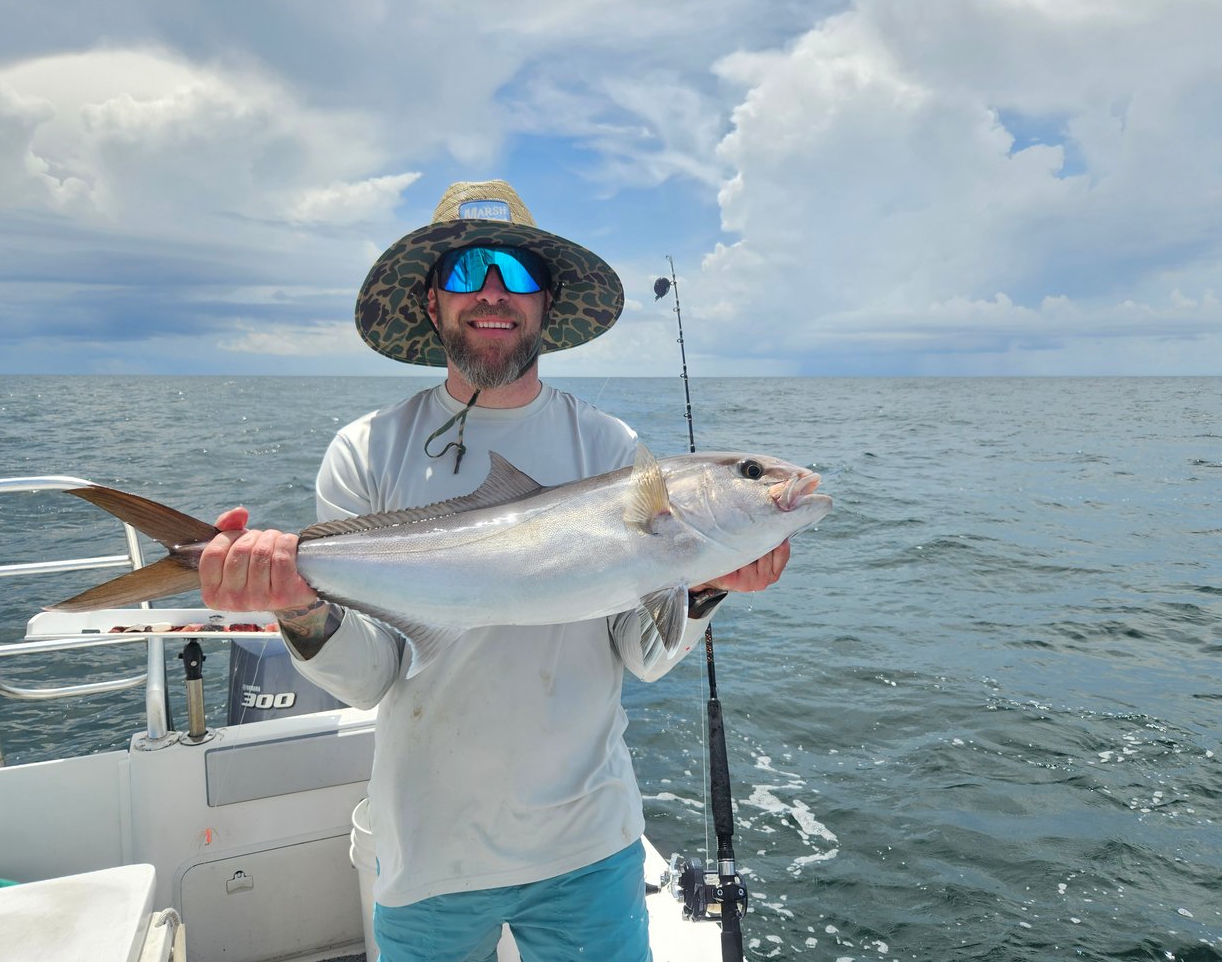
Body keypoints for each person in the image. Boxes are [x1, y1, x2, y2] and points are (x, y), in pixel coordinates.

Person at [198, 180, 791, 961]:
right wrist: (300, 609)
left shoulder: (612, 448)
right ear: (431, 299)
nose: (492, 295)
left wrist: (708, 583)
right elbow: (373, 677)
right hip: (428, 850)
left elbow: (643, 656)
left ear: (545, 301)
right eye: (467, 270)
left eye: (515, 274)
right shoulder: (366, 450)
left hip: (588, 844)